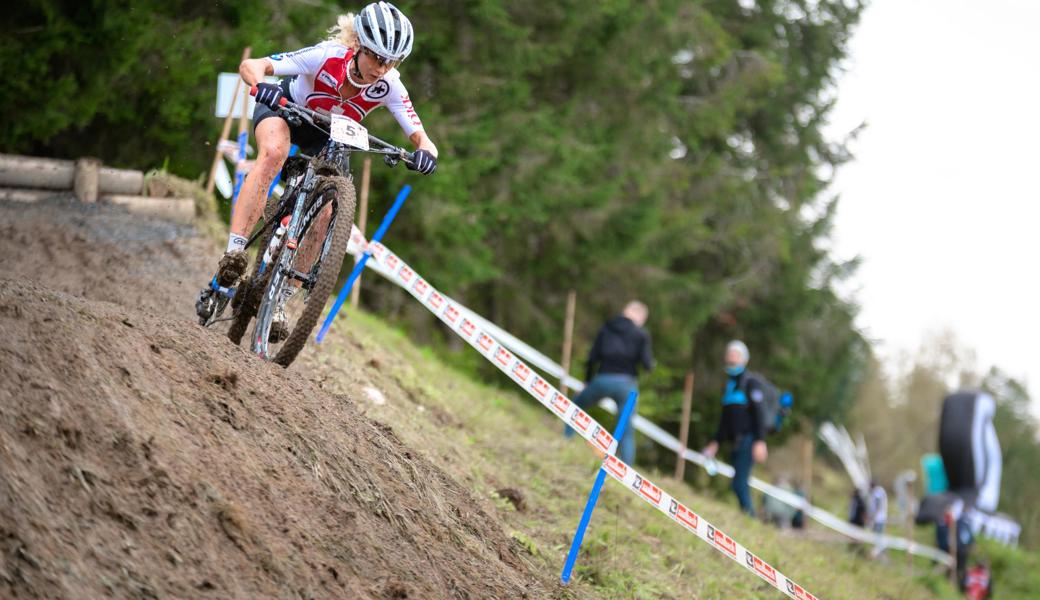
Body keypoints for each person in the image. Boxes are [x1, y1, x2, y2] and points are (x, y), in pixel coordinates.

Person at [202, 2, 438, 334]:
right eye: (377, 58)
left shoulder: (390, 86)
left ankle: (281, 298)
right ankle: (234, 253)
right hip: (287, 111)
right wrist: (261, 85)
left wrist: (425, 153)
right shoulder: (327, 56)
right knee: (273, 153)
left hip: (328, 134)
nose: (382, 68)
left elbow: (422, 138)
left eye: (392, 62)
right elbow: (252, 65)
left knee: (327, 210)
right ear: (359, 46)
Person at [564, 301, 654, 465]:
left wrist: (587, 381)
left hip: (602, 378)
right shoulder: (641, 334)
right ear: (641, 318)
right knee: (626, 429)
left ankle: (566, 440)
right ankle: (626, 469)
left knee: (576, 405)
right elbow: (647, 364)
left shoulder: (607, 328)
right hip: (627, 384)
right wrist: (650, 366)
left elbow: (592, 358)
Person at [702, 340, 768, 516]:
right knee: (738, 483)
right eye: (729, 353)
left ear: (744, 359)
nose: (731, 357)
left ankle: (751, 518)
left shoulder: (750, 382)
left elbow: (759, 413)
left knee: (739, 483)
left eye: (735, 354)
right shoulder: (729, 385)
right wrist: (715, 442)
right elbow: (725, 420)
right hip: (736, 442)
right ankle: (748, 517)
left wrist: (760, 441)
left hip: (749, 440)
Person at [867, 478, 888, 559]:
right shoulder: (877, 491)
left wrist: (872, 517)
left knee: (878, 536)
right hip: (878, 518)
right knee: (877, 537)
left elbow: (878, 506)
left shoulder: (878, 492)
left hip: (878, 519)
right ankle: (879, 553)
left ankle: (880, 553)